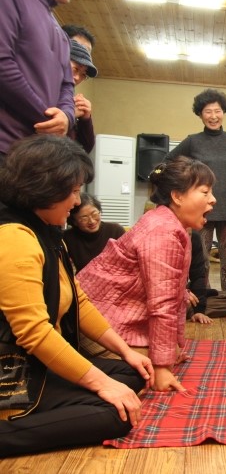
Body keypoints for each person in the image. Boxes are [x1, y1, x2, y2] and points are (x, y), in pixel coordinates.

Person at [0, 135, 153, 457]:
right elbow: (34, 332)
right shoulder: (14, 237)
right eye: (72, 191)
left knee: (132, 373)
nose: (77, 201)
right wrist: (102, 384)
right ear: (45, 189)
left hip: (39, 363)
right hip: (13, 374)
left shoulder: (47, 231)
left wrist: (126, 352)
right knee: (116, 414)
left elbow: (78, 301)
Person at [77, 156, 216, 392]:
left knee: (167, 353)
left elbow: (173, 294)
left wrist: (169, 350)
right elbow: (162, 304)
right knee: (142, 374)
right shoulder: (162, 231)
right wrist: (161, 367)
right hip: (95, 324)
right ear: (177, 196)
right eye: (205, 192)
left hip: (114, 316)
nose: (213, 199)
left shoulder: (172, 224)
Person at [167, 89, 226, 292]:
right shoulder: (193, 141)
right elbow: (168, 161)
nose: (213, 116)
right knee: (201, 260)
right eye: (208, 111)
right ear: (200, 114)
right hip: (201, 210)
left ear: (223, 112)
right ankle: (203, 297)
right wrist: (186, 187)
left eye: (217, 111)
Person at [0, 0, 87, 156]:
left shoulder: (62, 36)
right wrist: (48, 118)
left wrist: (66, 117)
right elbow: (3, 64)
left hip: (34, 156)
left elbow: (67, 86)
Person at [63, 192, 125, 272]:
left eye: (94, 214)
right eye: (84, 218)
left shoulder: (115, 230)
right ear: (74, 221)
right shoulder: (67, 237)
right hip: (85, 278)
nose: (92, 221)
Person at [66, 39, 98, 153]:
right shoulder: (44, 90)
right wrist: (70, 114)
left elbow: (86, 148)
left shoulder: (71, 98)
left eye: (83, 74)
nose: (77, 78)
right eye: (75, 69)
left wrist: (86, 119)